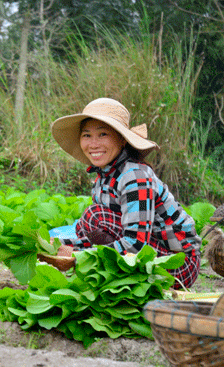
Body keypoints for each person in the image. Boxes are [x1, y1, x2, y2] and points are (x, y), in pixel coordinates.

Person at [50, 97, 201, 289]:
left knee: (94, 216)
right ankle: (110, 275)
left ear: (122, 139)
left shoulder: (134, 177)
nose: (93, 144)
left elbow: (136, 245)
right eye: (87, 135)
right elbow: (97, 230)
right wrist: (57, 243)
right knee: (92, 218)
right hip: (150, 251)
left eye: (102, 134)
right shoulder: (105, 175)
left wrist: (79, 256)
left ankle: (111, 274)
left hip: (176, 264)